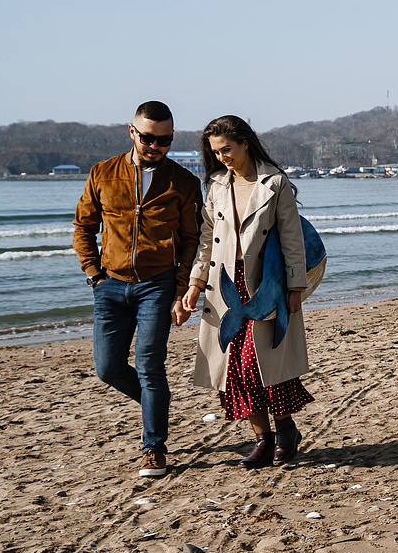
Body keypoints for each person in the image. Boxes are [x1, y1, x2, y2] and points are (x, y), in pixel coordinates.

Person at [73, 100, 204, 479]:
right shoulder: (103, 173)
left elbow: (191, 241)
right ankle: (156, 402)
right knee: (108, 368)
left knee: (150, 366)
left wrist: (182, 291)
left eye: (164, 140)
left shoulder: (183, 182)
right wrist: (93, 274)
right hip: (109, 285)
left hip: (157, 286)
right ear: (132, 132)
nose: (155, 147)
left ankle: (153, 448)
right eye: (148, 138)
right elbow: (83, 227)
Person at [179, 116, 314, 469]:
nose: (222, 157)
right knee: (234, 368)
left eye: (227, 149)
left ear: (245, 143)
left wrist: (296, 285)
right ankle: (263, 439)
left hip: (266, 284)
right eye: (216, 152)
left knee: (264, 362)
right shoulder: (216, 185)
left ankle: (285, 431)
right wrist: (194, 284)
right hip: (224, 284)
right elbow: (207, 239)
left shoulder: (275, 182)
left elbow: (291, 236)